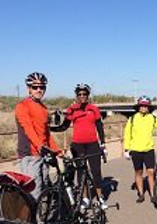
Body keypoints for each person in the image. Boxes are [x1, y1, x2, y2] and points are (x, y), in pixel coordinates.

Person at [53, 83, 107, 209]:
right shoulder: (72, 109)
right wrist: (49, 128)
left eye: (84, 94)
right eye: (79, 94)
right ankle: (85, 199)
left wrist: (103, 144)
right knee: (81, 173)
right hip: (78, 145)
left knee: (96, 172)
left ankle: (100, 198)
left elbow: (99, 126)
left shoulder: (93, 109)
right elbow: (64, 126)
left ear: (88, 95)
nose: (82, 96)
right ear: (76, 96)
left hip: (93, 144)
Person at [15, 72, 60, 200]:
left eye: (42, 87)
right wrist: (40, 146)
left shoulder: (44, 109)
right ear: (28, 89)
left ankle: (45, 219)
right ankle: (34, 220)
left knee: (46, 191)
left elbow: (46, 134)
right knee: (35, 193)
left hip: (43, 155)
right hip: (30, 156)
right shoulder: (22, 107)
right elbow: (29, 129)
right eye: (35, 87)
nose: (39, 90)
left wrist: (58, 151)